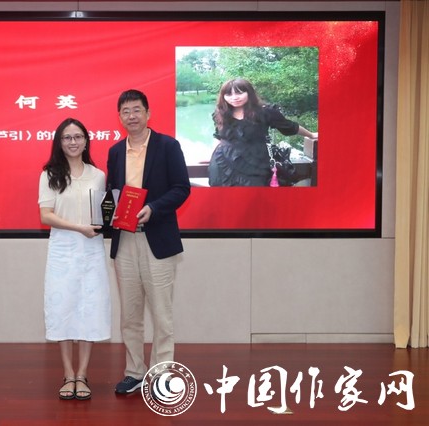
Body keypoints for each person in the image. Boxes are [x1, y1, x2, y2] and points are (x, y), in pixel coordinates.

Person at [106, 90, 190, 394]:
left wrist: (153, 208)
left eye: (136, 110)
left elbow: (181, 188)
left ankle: (162, 373)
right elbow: (112, 193)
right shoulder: (116, 151)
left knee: (161, 315)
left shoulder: (168, 146)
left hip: (157, 241)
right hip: (125, 240)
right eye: (125, 111)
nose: (131, 116)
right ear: (119, 117)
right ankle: (134, 372)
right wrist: (106, 212)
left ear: (148, 113)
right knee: (130, 315)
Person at [38, 117, 111, 401]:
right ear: (59, 142)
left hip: (91, 250)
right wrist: (79, 227)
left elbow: (104, 212)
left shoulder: (98, 175)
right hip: (63, 250)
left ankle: (82, 374)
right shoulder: (50, 174)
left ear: (86, 141)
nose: (73, 142)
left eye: (78, 137)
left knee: (89, 309)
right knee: (63, 309)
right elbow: (46, 216)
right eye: (67, 137)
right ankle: (68, 374)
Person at [208, 77, 318, 186]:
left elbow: (290, 127)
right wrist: (210, 155)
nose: (234, 98)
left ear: (249, 93)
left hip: (255, 163)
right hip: (223, 162)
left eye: (239, 93)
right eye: (229, 94)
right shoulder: (221, 114)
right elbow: (219, 137)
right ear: (223, 96)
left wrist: (311, 135)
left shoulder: (265, 112)